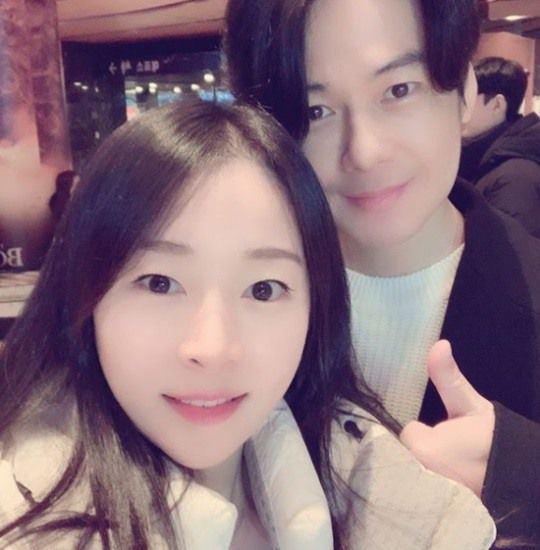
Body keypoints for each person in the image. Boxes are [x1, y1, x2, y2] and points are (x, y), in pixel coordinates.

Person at [0, 101, 495, 549]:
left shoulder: (386, 496)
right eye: (159, 283)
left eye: (263, 289)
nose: (212, 347)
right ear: (85, 292)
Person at [224, 0, 540, 543]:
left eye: (398, 90)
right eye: (315, 111)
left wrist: (524, 477)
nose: (364, 152)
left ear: (464, 91)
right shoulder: (226, 307)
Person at [459, 56, 540, 238]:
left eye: (467, 101)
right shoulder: (487, 158)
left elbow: (507, 251)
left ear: (497, 105)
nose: (459, 111)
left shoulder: (514, 178)